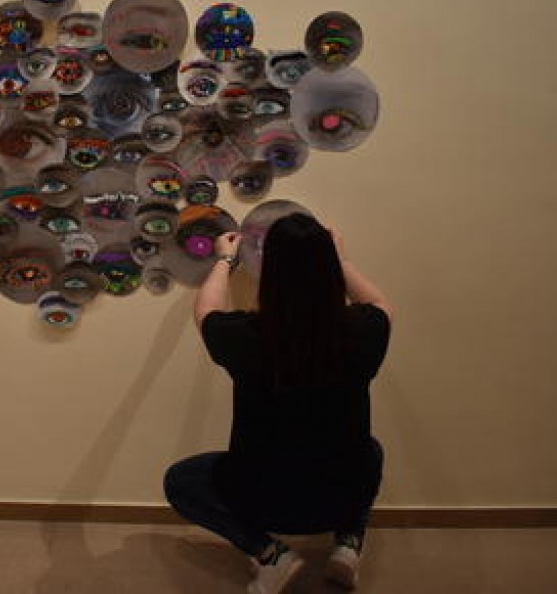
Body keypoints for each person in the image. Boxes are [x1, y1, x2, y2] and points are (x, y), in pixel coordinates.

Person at [164, 213, 392, 593]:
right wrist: (338, 259)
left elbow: (206, 312)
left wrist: (225, 259)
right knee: (370, 451)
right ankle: (348, 543)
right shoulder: (363, 331)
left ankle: (270, 554)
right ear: (329, 269)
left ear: (269, 273)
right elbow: (379, 302)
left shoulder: (246, 337)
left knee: (180, 481)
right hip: (340, 496)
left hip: (264, 500)